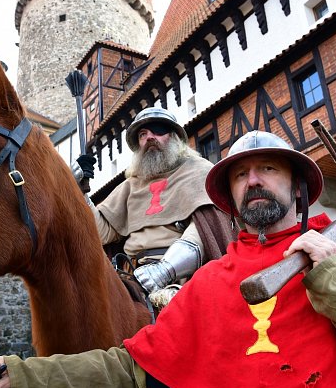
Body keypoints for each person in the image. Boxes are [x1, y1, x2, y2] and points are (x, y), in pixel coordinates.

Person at [0, 130, 336, 388]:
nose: (253, 180)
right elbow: (131, 369)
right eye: (240, 174)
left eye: (268, 168)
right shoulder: (208, 284)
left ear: (297, 187)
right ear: (228, 198)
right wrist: (27, 376)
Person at [73, 106, 233, 301]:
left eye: (158, 130)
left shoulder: (199, 171)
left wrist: (165, 270)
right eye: (142, 134)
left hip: (184, 276)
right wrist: (79, 191)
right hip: (132, 276)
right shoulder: (130, 186)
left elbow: (207, 225)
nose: (149, 137)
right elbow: (101, 232)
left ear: (174, 137)